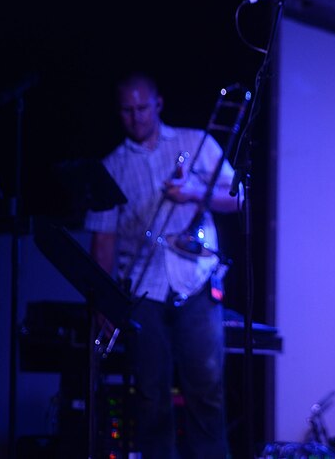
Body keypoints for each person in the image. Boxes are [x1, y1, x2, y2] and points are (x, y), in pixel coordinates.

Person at [85, 72, 238, 458]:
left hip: (197, 281)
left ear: (159, 104)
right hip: (142, 290)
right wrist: (103, 303)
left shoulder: (195, 142)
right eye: (127, 111)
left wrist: (193, 191)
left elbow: (239, 198)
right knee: (150, 397)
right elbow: (103, 239)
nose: (136, 118)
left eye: (142, 108)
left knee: (207, 392)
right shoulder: (110, 166)